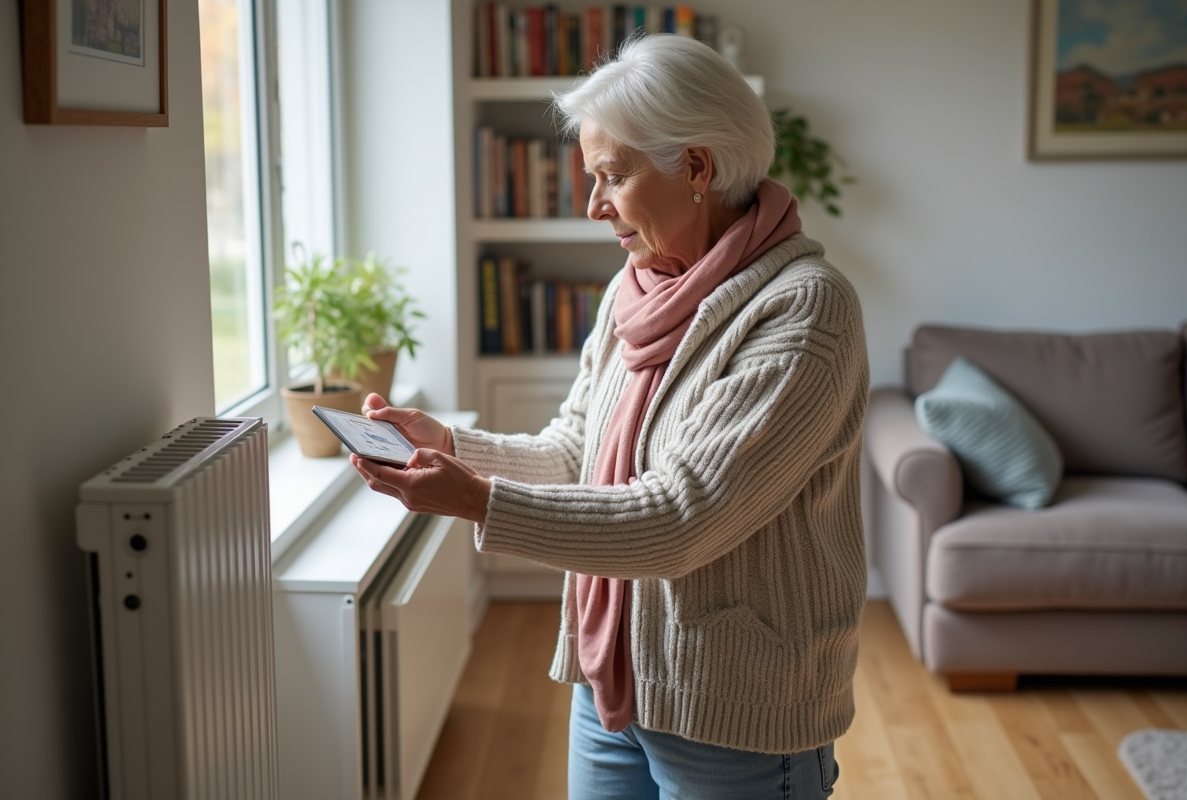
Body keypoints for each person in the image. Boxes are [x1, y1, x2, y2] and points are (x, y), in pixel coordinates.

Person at [351, 33, 869, 800]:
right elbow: (576, 452)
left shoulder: (805, 310)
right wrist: (453, 446)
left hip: (738, 710)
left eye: (613, 177)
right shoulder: (637, 291)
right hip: (612, 678)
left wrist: (475, 501)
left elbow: (681, 518)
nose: (594, 205)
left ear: (696, 167)